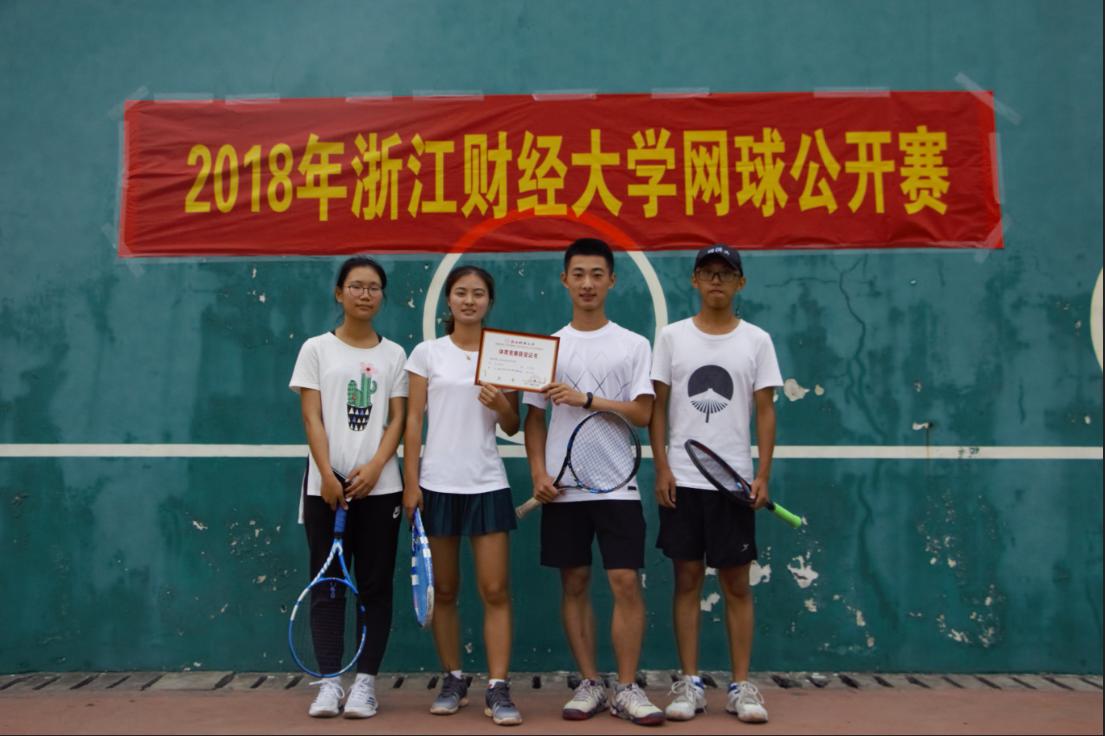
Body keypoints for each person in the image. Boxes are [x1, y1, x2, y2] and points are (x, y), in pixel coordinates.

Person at [523, 238, 664, 726]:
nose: (587, 283)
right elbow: (533, 419)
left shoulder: (633, 344)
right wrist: (538, 472)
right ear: (565, 280)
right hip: (563, 491)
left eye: (596, 274)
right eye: (578, 274)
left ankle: (626, 687)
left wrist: (586, 399)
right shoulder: (548, 347)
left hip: (617, 486)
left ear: (611, 281)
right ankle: (589, 682)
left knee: (625, 581)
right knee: (575, 582)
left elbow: (643, 413)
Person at [648, 244, 783, 723]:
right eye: (708, 273)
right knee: (686, 581)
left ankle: (741, 687)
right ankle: (689, 684)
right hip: (682, 482)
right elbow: (657, 408)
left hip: (734, 485)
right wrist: (662, 467)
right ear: (695, 280)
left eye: (726, 274)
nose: (716, 282)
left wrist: (762, 473)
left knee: (736, 585)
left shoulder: (757, 341)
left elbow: (765, 411)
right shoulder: (672, 337)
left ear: (740, 283)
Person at [403, 265, 523, 727]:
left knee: (495, 590)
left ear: (489, 302)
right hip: (436, 485)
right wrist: (411, 483)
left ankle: (498, 686)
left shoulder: (503, 354)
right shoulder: (427, 354)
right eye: (461, 293)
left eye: (478, 294)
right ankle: (453, 678)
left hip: (487, 483)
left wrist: (502, 404)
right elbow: (414, 421)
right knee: (446, 590)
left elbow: (512, 425)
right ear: (449, 301)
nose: (469, 301)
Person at [288, 256, 409, 719]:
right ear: (339, 293)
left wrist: (376, 466)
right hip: (326, 489)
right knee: (329, 586)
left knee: (375, 587)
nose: (365, 294)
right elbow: (311, 416)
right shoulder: (316, 349)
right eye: (356, 286)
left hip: (382, 489)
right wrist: (327, 473)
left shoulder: (394, 355)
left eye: (373, 287)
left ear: (382, 296)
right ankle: (328, 683)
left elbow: (398, 418)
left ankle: (364, 685)